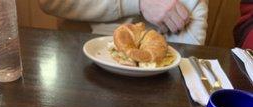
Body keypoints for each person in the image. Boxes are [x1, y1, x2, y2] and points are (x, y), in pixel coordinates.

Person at [38, 0, 209, 45]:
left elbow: (191, 42)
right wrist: (139, 3)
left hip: (153, 69)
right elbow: (51, 2)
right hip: (78, 57)